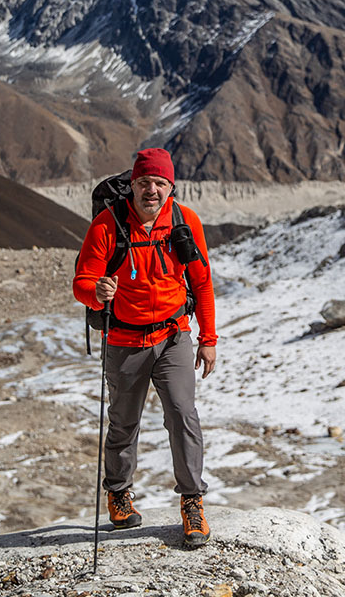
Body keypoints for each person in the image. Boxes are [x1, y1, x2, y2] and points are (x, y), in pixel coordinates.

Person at [72, 148, 217, 546]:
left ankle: (192, 501)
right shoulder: (107, 225)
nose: (151, 190)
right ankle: (118, 491)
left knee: (183, 416)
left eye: (159, 183)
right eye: (143, 182)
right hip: (124, 341)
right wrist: (95, 291)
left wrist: (208, 339)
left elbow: (202, 283)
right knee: (123, 422)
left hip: (173, 337)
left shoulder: (185, 222)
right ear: (132, 184)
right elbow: (81, 283)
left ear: (171, 186)